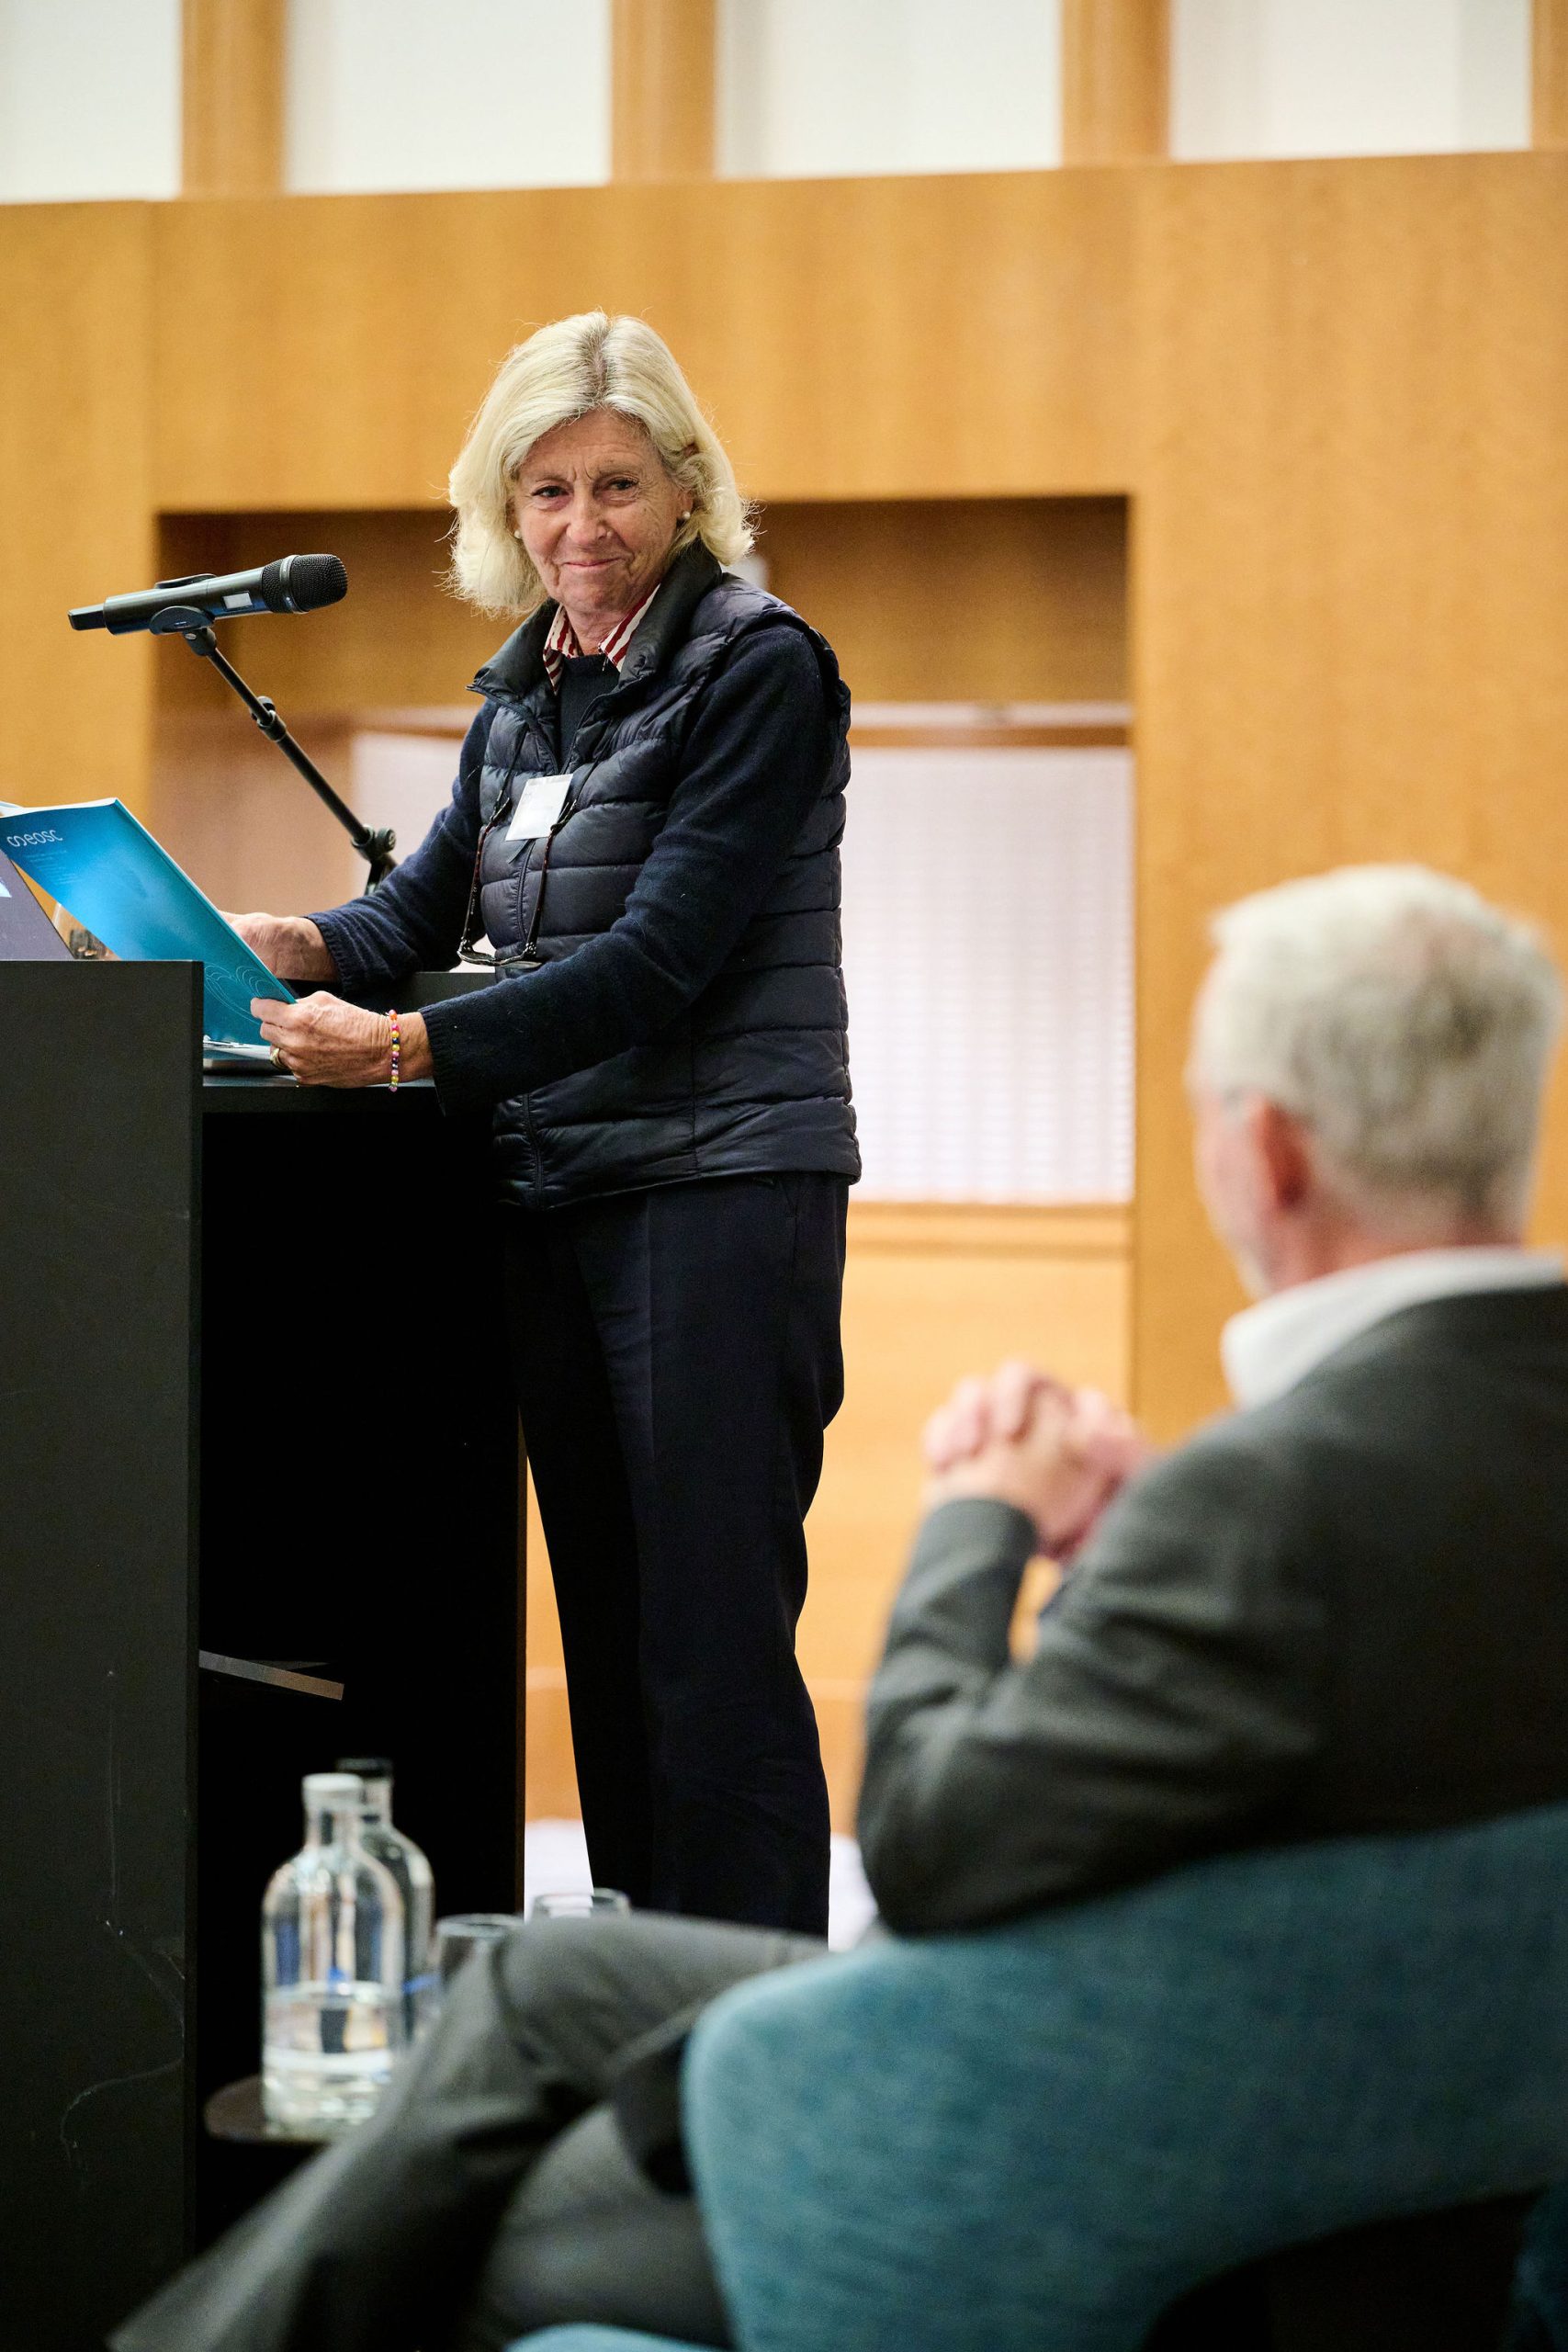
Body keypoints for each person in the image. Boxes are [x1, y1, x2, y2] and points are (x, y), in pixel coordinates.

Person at [118, 864, 1568, 2352]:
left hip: (1059, 2144)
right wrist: (1127, 1568)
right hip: (1371, 2137)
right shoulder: (1404, 1476)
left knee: (458, 2217)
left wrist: (978, 1525)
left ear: (1264, 1151)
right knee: (542, 1988)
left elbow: (932, 1849)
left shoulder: (1264, 1504)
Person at [231, 311, 860, 1937]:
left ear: (687, 489)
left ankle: (747, 2013)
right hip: (560, 1192)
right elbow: (411, 918)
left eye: (619, 485)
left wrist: (402, 1051)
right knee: (613, 1631)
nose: (585, 526)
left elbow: (656, 962)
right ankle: (639, 1987)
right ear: (503, 510)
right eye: (549, 491)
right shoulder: (526, 696)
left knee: (711, 1645)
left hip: (721, 1195)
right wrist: (284, 943)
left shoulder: (758, 667)